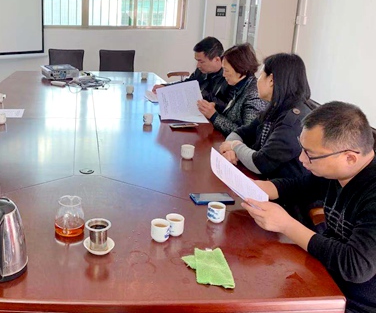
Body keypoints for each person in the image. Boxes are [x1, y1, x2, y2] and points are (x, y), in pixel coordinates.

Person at [243, 102, 376, 313]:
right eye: (302, 148)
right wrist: (261, 188)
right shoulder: (339, 171)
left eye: (310, 154)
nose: (301, 159)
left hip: (355, 302)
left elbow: (356, 266)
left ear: (350, 157)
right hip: (325, 274)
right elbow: (301, 186)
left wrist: (287, 225)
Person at [197, 43, 267, 136]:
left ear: (241, 69)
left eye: (226, 70)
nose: (223, 75)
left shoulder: (254, 95)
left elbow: (248, 135)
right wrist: (215, 107)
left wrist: (214, 116)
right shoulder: (241, 86)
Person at [152, 37, 231, 111]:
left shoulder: (230, 77)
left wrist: (201, 93)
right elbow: (188, 83)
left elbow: (228, 107)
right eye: (197, 61)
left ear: (217, 60)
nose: (198, 65)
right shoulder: (201, 70)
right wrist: (166, 87)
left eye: (201, 61)